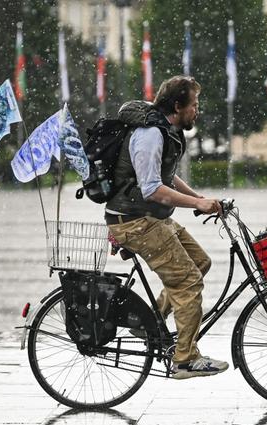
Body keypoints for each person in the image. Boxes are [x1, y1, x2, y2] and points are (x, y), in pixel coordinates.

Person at [104, 76, 228, 379]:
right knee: (187, 283)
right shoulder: (149, 135)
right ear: (177, 106)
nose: (197, 111)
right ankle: (185, 360)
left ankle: (150, 323)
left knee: (200, 263)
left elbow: (167, 176)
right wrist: (196, 205)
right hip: (135, 221)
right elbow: (152, 189)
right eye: (194, 105)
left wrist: (200, 199)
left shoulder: (164, 130)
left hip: (147, 218)